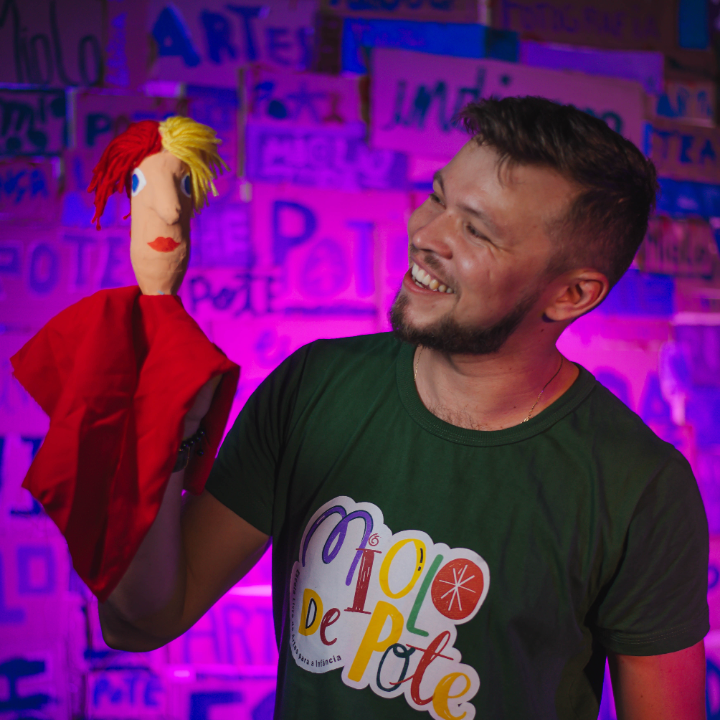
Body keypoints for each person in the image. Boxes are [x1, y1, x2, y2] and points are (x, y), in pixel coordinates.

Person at [99, 97, 709, 720]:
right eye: (438, 197)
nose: (426, 235)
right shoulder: (314, 386)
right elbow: (138, 622)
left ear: (571, 294)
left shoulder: (640, 487)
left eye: (477, 231)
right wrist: (160, 440)